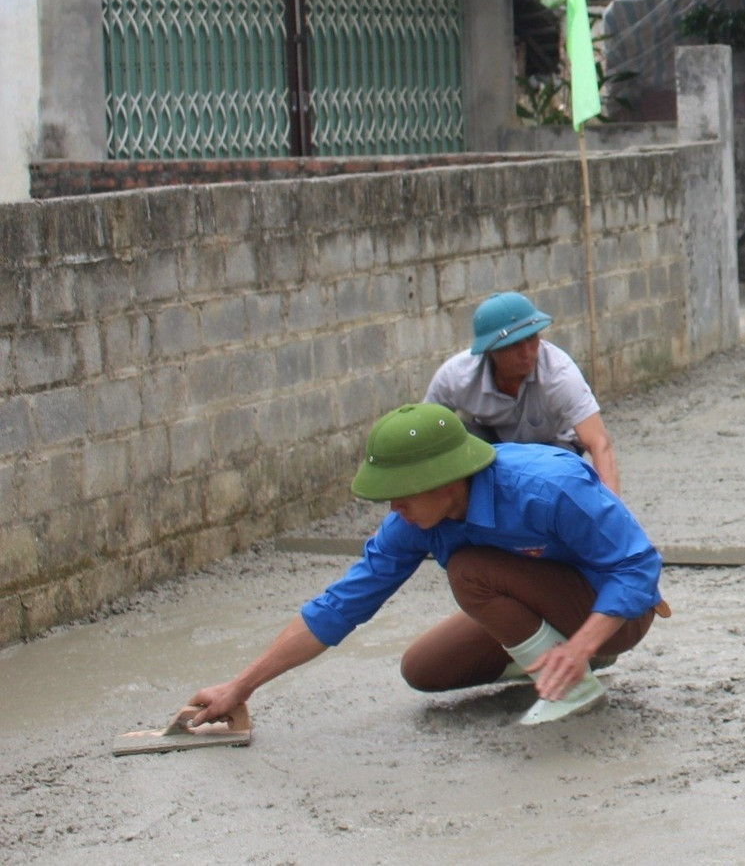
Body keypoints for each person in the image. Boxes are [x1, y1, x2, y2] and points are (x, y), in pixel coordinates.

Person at [184, 404, 665, 728]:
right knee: (424, 669)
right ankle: (558, 660)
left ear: (447, 479)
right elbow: (339, 606)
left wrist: (582, 645)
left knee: (469, 570)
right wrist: (240, 686)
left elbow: (639, 566)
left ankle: (574, 680)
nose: (394, 507)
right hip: (549, 606)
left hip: (615, 614)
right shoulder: (412, 522)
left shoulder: (547, 485)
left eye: (403, 491)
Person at [425, 292, 620, 495]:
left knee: (554, 486)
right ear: (490, 350)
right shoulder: (456, 377)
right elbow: (423, 431)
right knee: (455, 437)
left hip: (554, 446)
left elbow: (599, 443)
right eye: (513, 345)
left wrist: (612, 513)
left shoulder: (560, 374)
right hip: (493, 443)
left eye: (531, 338)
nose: (527, 352)